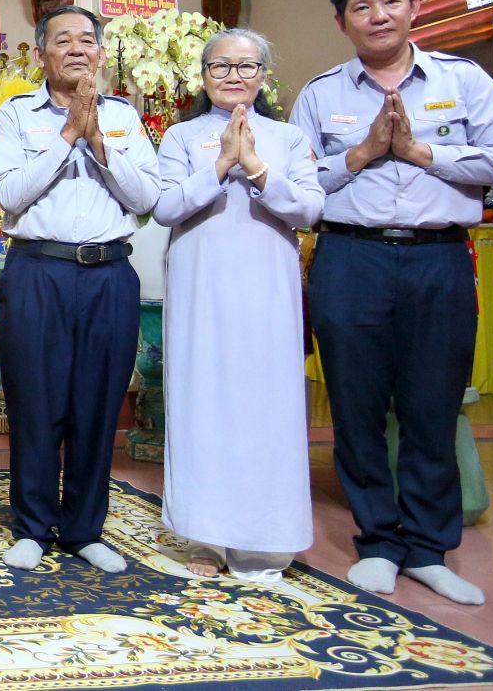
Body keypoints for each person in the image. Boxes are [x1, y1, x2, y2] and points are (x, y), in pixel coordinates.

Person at [291, 0, 493, 605]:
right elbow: (295, 186)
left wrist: (425, 153)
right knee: (357, 406)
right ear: (342, 22)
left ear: (414, 7)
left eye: (390, 1)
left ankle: (428, 549)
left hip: (438, 259)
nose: (378, 15)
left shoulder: (464, 80)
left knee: (432, 405)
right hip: (351, 259)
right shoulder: (321, 93)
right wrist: (363, 153)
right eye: (362, 7)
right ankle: (378, 541)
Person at [0, 4, 159, 574]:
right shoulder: (16, 115)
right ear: (41, 54)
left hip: (109, 274)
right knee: (35, 400)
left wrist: (101, 146)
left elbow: (147, 199)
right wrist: (67, 137)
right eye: (64, 41)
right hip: (39, 270)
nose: (77, 49)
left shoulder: (124, 118)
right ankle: (33, 526)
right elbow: (10, 194)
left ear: (101, 54)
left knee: (99, 401)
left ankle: (85, 528)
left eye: (87, 40)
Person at [153, 29, 323, 583]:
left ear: (263, 76)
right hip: (201, 288)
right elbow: (164, 206)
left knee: (266, 407)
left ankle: (264, 542)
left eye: (246, 67)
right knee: (202, 403)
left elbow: (309, 209)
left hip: (267, 291)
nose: (233, 76)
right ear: (203, 76)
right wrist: (220, 166)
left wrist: (256, 166)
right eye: (220, 66)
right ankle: (206, 534)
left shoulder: (288, 138)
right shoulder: (181, 136)